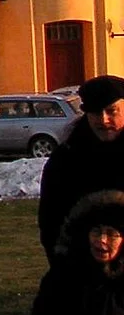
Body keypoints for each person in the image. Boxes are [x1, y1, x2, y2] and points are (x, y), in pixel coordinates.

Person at [40, 75, 124, 252]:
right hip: (82, 269)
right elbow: (51, 221)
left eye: (112, 111)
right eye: (95, 113)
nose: (103, 120)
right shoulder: (67, 159)